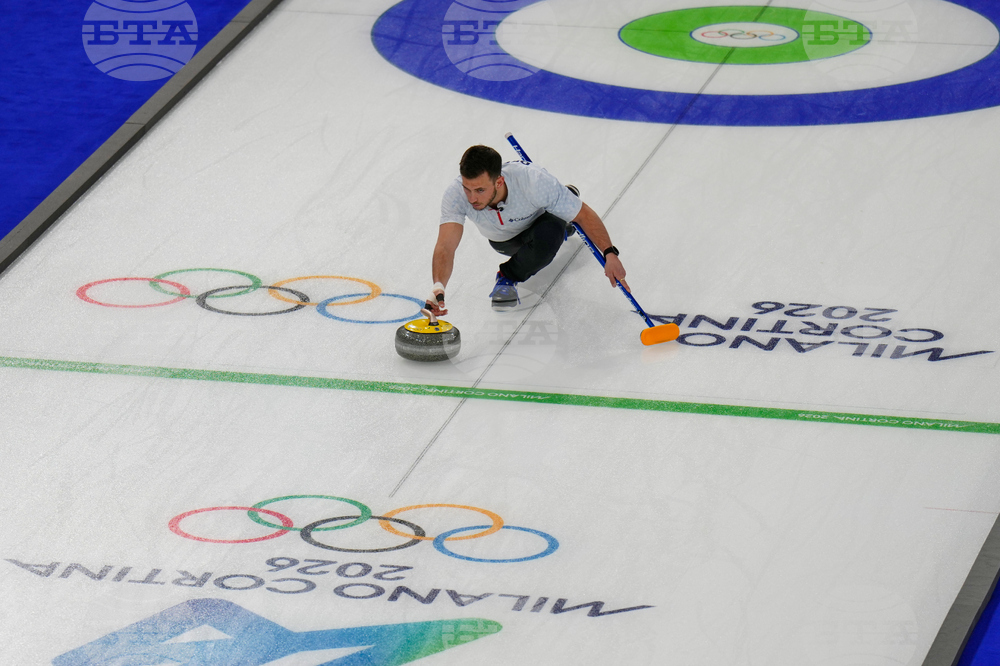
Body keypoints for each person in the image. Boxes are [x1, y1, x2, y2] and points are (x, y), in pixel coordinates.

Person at [424, 144, 629, 318]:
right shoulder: (456, 194)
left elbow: (583, 214)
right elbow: (446, 246)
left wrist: (610, 253)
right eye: (467, 189)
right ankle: (565, 207)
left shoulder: (534, 181)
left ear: (499, 181)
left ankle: (508, 276)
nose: (472, 198)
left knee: (552, 232)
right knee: (559, 222)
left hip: (542, 222)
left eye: (479, 190)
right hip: (505, 241)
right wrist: (438, 286)